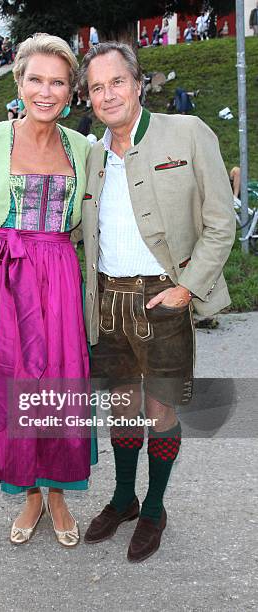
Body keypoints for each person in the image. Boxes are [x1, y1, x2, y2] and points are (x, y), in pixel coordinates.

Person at [76, 42, 235, 562]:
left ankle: (155, 507)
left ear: (138, 83)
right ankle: (124, 497)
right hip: (107, 297)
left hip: (162, 295)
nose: (107, 95)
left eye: (116, 82)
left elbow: (221, 220)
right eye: (97, 87)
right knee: (121, 407)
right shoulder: (91, 154)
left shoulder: (187, 134)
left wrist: (188, 286)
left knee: (159, 409)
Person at [0, 33, 95, 548]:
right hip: (2, 279)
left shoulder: (82, 147)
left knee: (58, 383)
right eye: (35, 79)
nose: (46, 90)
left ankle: (57, 489)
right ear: (18, 82)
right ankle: (32, 492)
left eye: (57, 81)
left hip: (58, 278)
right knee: (12, 382)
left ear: (71, 89)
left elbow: (89, 220)